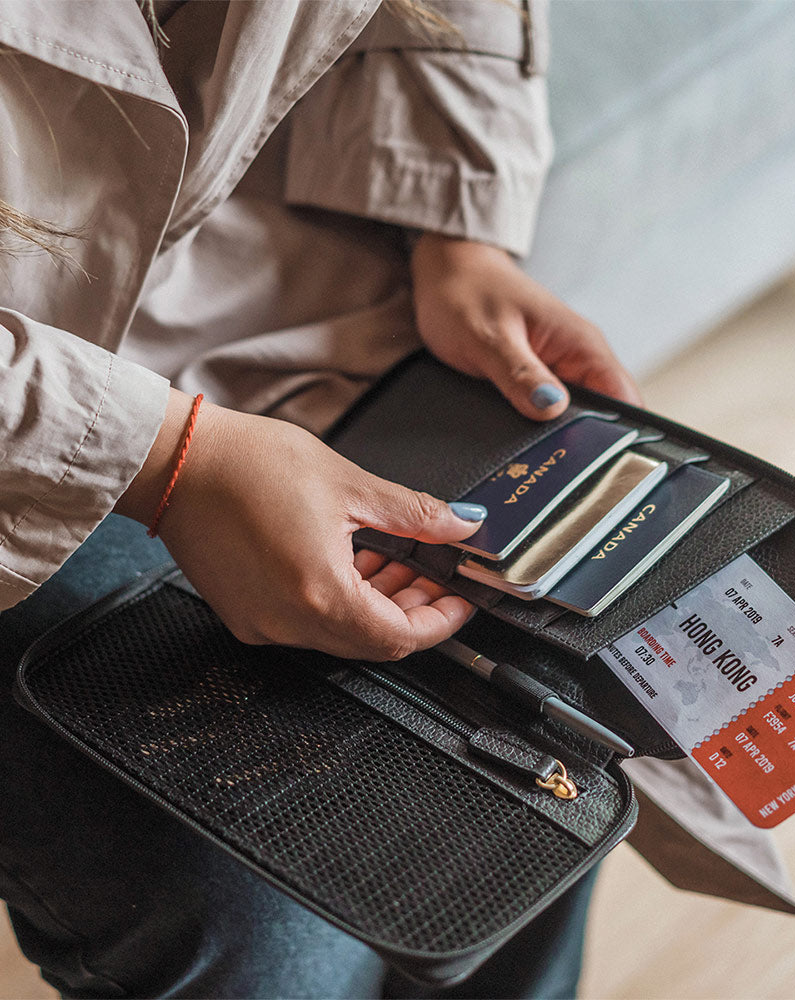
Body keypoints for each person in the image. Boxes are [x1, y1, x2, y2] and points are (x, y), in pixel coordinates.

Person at [0, 1, 640, 996]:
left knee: (534, 731)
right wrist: (169, 461)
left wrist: (453, 228)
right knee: (245, 895)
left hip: (223, 246)